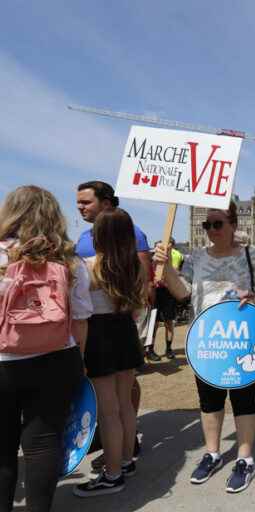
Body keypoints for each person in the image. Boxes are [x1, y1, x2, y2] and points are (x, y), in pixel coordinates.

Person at [154, 201, 255, 493]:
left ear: (233, 224)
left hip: (241, 339)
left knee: (244, 399)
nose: (211, 230)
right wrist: (167, 267)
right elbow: (182, 292)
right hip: (207, 340)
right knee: (209, 400)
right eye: (207, 225)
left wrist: (254, 298)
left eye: (218, 224)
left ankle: (245, 458)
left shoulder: (250, 253)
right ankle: (213, 453)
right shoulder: (196, 257)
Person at [0, 186, 92, 512]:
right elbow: (81, 319)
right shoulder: (70, 261)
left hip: (3, 361)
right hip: (56, 357)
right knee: (42, 443)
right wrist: (78, 360)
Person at [74, 181, 150, 459]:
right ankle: (127, 459)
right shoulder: (131, 265)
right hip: (125, 330)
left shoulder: (89, 266)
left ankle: (113, 470)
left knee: (108, 411)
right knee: (125, 406)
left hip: (100, 333)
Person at [148, 238, 183, 360]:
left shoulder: (175, 255)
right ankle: (150, 350)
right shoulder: (150, 257)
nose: (161, 249)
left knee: (169, 321)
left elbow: (177, 272)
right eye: (158, 247)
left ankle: (168, 349)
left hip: (168, 291)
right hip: (155, 292)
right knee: (153, 322)